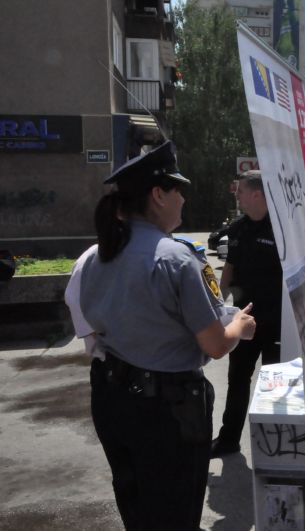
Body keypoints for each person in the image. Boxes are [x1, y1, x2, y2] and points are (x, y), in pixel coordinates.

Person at [79, 141, 257, 530]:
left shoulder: (97, 255)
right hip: (166, 411)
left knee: (137, 508)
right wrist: (239, 327)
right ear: (159, 195)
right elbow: (215, 344)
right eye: (179, 190)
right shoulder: (174, 258)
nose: (184, 200)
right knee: (175, 513)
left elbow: (91, 321)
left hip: (111, 396)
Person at [212, 170, 283, 457]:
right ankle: (228, 439)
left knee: (276, 384)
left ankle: (276, 444)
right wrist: (217, 303)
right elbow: (229, 269)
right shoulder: (238, 228)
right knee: (238, 379)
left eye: (240, 191)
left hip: (277, 322)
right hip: (244, 321)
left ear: (256, 194)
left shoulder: (282, 227)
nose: (236, 196)